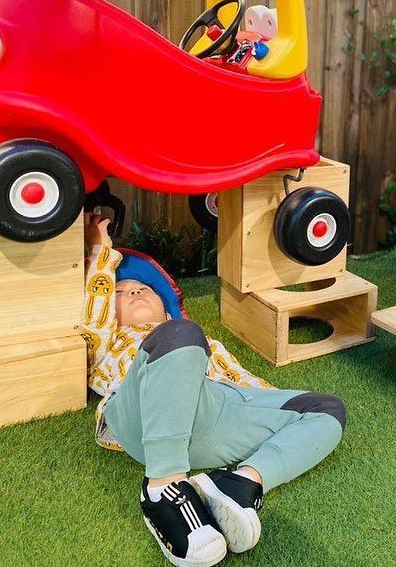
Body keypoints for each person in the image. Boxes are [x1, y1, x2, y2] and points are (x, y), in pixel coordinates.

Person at [82, 213, 347, 566]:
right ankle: (162, 488)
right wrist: (100, 251)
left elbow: (244, 385)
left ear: (166, 307)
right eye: (121, 292)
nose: (135, 291)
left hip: (211, 415)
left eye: (144, 289)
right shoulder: (111, 342)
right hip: (143, 419)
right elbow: (93, 322)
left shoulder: (198, 340)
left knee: (326, 409)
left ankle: (241, 484)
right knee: (180, 336)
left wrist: (276, 414)